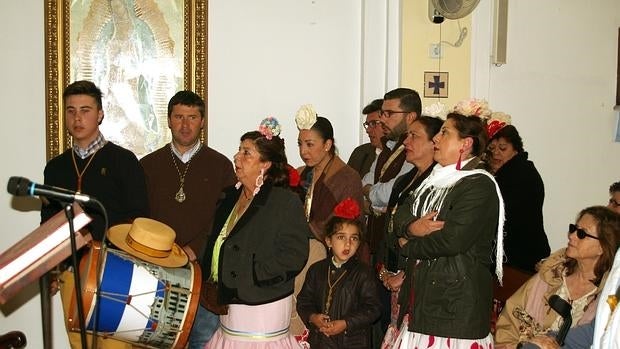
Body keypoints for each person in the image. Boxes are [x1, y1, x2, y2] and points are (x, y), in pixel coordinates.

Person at [41, 80, 149, 349]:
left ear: (100, 114)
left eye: (85, 110)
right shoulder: (55, 168)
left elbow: (138, 217)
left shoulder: (122, 161)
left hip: (114, 273)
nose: (78, 118)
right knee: (80, 345)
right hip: (72, 273)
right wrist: (51, 270)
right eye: (71, 111)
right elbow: (48, 223)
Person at [395, 110, 505, 348]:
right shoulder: (435, 178)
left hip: (454, 306)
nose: (436, 138)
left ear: (465, 144)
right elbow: (400, 214)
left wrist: (408, 245)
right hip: (425, 298)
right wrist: (413, 226)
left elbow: (452, 240)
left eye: (445, 133)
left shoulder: (479, 184)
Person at [201, 117, 309, 348]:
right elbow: (213, 240)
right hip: (228, 303)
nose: (237, 157)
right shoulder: (229, 196)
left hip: (262, 303)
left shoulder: (284, 202)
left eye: (246, 153)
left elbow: (294, 255)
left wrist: (253, 274)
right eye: (238, 151)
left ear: (265, 163)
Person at [139, 90, 236, 348]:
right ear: (169, 120)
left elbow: (226, 220)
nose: (185, 125)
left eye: (192, 117)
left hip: (202, 278)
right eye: (179, 117)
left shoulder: (221, 166)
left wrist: (195, 249)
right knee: (157, 343)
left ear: (202, 121)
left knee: (203, 342)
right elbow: (140, 218)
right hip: (158, 275)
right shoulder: (148, 165)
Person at [494, 206, 620, 348]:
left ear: (602, 247)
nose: (571, 236)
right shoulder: (550, 275)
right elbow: (507, 324)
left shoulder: (606, 299)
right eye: (573, 228)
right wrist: (521, 346)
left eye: (582, 234)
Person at [292, 104, 365, 341]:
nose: (304, 150)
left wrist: (305, 228)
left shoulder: (346, 176)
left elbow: (345, 225)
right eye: (300, 144)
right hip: (304, 255)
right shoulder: (303, 173)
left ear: (327, 144)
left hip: (334, 261)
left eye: (310, 144)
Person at [375, 116, 443, 347]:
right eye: (407, 135)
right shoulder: (404, 179)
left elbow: (431, 235)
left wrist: (404, 273)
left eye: (414, 136)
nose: (406, 141)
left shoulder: (438, 184)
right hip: (391, 271)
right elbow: (392, 228)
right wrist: (385, 269)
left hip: (413, 277)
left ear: (435, 142)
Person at [296, 198, 382, 348]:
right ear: (329, 241)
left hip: (352, 342)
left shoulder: (364, 273)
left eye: (354, 238)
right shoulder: (316, 270)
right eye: (341, 237)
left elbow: (373, 308)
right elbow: (304, 301)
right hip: (320, 341)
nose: (348, 244)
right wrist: (313, 317)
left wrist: (345, 323)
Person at [362, 88, 420, 257]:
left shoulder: (415, 151)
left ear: (410, 117)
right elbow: (364, 181)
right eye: (382, 113)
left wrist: (370, 193)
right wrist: (372, 194)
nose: (382, 119)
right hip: (376, 241)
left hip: (397, 247)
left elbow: (391, 193)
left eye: (389, 114)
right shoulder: (388, 146)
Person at [487, 122, 550, 273]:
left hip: (521, 258)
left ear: (516, 150)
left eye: (503, 148)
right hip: (513, 256)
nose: (496, 153)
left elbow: (503, 214)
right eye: (491, 148)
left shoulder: (521, 174)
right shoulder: (505, 173)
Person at [347, 99, 386, 178]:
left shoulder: (403, 154)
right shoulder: (360, 152)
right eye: (367, 124)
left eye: (373, 123)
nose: (368, 130)